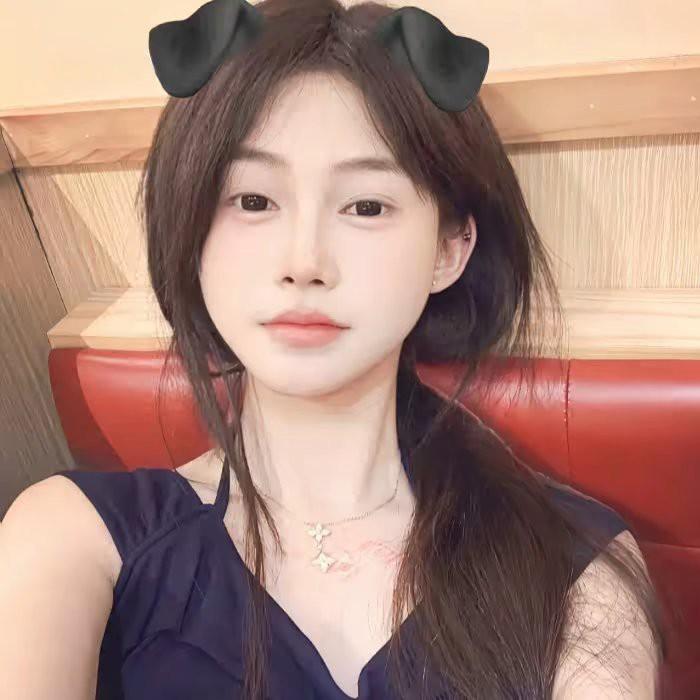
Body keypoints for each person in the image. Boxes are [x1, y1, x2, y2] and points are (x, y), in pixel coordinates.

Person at [0, 0, 666, 698]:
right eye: (253, 200)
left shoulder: (577, 568)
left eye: (366, 206)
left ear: (449, 248)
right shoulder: (72, 538)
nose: (304, 262)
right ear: (190, 232)